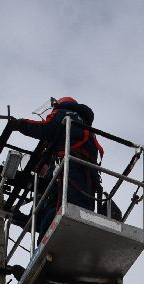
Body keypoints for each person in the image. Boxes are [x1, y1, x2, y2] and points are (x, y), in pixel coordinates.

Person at [8, 96, 103, 235]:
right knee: (68, 211)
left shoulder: (65, 113)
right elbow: (36, 223)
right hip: (85, 180)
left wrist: (19, 124)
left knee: (60, 212)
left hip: (71, 173)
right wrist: (15, 215)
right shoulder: (84, 129)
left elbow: (46, 128)